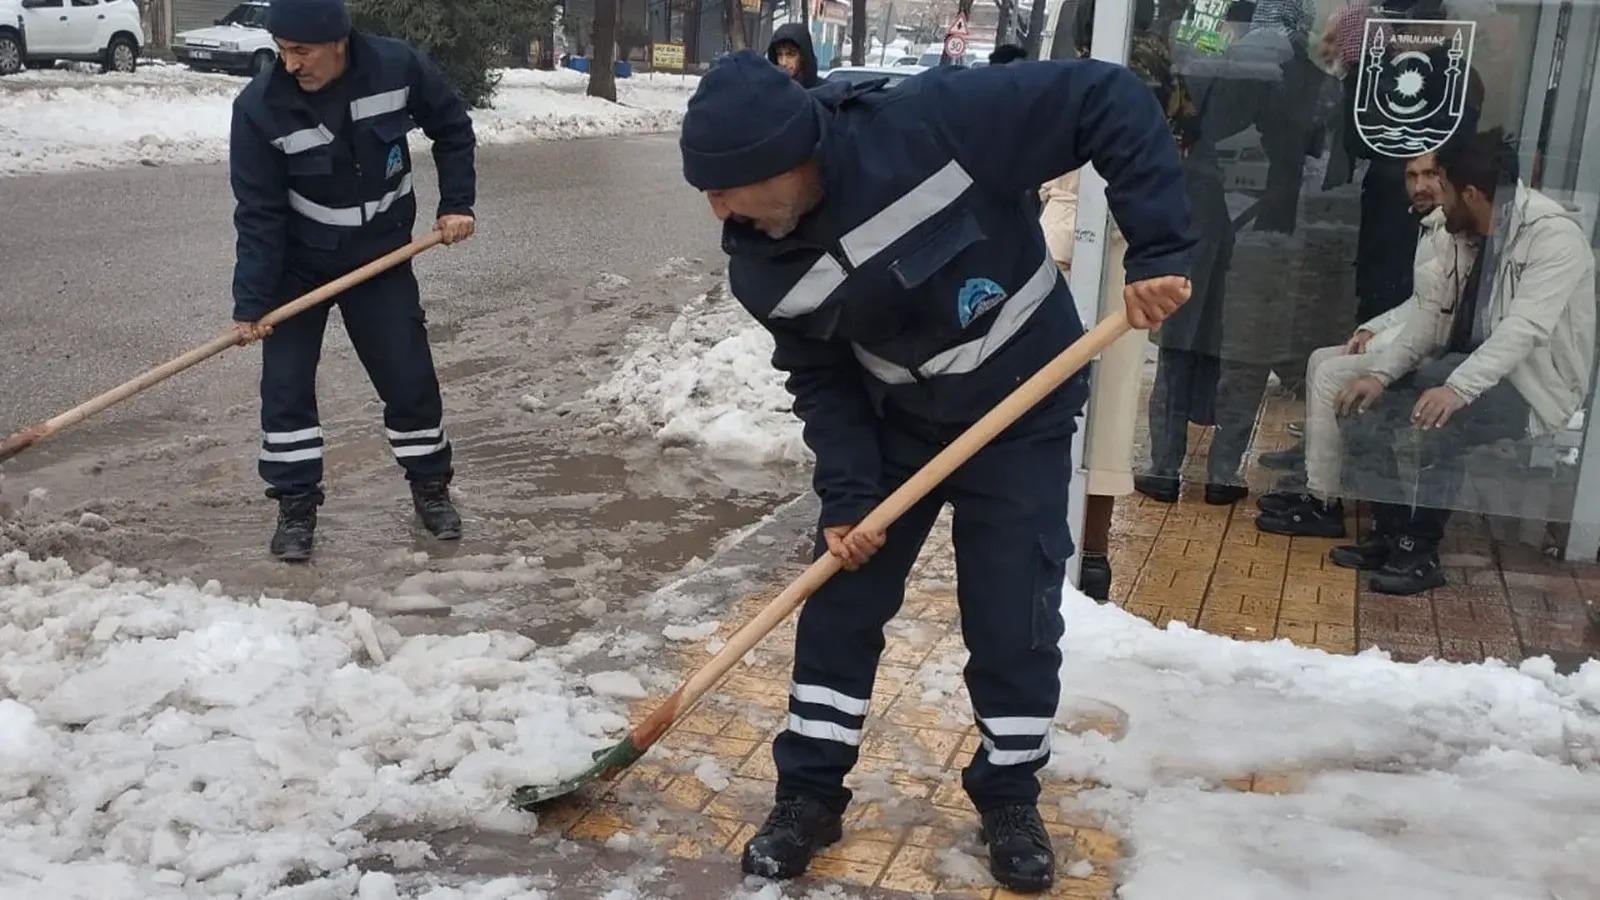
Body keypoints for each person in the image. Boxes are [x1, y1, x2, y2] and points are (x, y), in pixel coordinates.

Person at [677, 49, 1194, 892]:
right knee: (838, 601)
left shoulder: (935, 123)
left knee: (1011, 613)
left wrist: (1160, 246)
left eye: (728, 185)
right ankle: (808, 794)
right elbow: (822, 377)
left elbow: (1106, 96)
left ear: (790, 159)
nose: (716, 207)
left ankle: (1008, 794)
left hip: (1023, 401)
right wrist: (848, 496)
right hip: (895, 429)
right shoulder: (760, 265)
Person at [227, 0, 477, 562]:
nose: (289, 63)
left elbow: (453, 129)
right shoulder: (260, 108)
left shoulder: (397, 67)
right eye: (282, 50)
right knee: (286, 388)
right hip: (298, 264)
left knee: (409, 378)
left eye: (301, 50)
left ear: (338, 41)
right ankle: (295, 508)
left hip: (380, 257)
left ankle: (430, 490)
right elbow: (259, 213)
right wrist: (252, 304)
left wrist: (457, 203)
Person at [1332, 128, 1594, 593]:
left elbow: (1524, 331)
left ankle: (1419, 553)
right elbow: (1429, 316)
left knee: (1441, 423)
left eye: (1445, 188)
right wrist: (1379, 374)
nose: (1435, 196)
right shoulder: (1461, 232)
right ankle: (1388, 533)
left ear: (1470, 193)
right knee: (1363, 403)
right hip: (1459, 365)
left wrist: (1456, 389)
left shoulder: (1554, 238)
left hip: (1532, 383)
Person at [1040, 0, 1201, 598]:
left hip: (1093, 247)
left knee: (1056, 403)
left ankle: (1066, 546)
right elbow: (1187, 142)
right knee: (1102, 412)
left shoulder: (1086, 78)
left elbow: (1058, 177)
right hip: (1132, 245)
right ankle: (1095, 555)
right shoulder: (1164, 70)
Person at [1254, 151, 1448, 537]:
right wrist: (1372, 329)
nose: (1420, 185)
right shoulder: (1431, 225)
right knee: (1321, 358)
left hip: (1437, 355)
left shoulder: (1449, 230)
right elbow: (1421, 303)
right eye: (1412, 176)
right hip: (1417, 338)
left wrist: (1380, 348)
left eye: (1430, 175)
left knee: (1331, 373)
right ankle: (1317, 483)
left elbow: (1437, 319)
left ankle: (1324, 502)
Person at [768, 23, 822, 88]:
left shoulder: (824, 91)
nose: (783, 62)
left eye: (790, 55)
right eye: (779, 54)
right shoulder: (771, 90)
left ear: (803, 55)